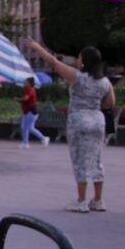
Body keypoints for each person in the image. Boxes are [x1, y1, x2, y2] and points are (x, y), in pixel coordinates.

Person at [26, 40, 115, 213]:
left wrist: (38, 48)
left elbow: (54, 63)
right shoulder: (105, 81)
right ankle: (98, 200)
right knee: (97, 160)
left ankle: (81, 201)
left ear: (84, 61)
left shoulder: (77, 77)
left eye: (79, 58)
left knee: (80, 160)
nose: (76, 60)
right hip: (97, 121)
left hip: (79, 120)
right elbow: (110, 102)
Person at [14, 76, 50, 148]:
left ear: (29, 83)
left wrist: (17, 99)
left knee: (28, 128)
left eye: (26, 82)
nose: (24, 83)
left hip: (31, 112)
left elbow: (25, 99)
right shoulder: (28, 90)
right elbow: (25, 100)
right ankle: (25, 143)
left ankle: (43, 138)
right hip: (27, 112)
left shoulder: (31, 90)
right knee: (24, 127)